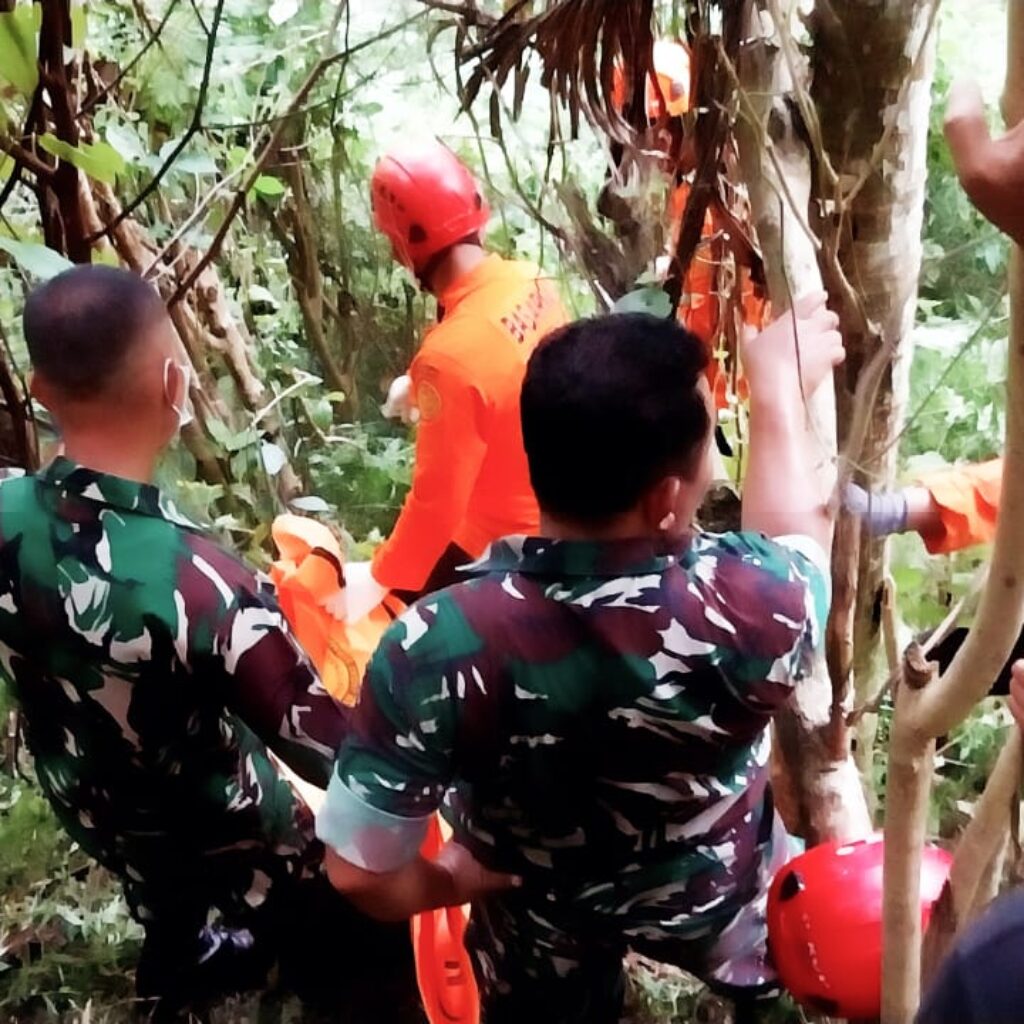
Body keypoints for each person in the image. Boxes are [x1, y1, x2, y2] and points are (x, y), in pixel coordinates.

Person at [316, 293, 844, 1023]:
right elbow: (799, 535)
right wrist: (780, 394)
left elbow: (355, 872)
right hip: (717, 894)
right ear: (666, 495)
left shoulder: (433, 645)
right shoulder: (754, 603)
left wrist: (448, 881)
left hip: (537, 908)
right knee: (768, 970)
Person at [0, 266, 414, 1016]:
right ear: (172, 383)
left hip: (110, 822)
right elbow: (334, 751)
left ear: (38, 389)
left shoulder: (4, 516)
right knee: (376, 950)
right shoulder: (199, 581)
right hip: (242, 850)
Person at [343, 139, 567, 617]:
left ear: (402, 244)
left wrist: (379, 576)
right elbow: (488, 344)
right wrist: (417, 378)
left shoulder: (450, 360)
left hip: (500, 547)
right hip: (566, 514)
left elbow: (436, 504)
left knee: (394, 639)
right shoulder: (532, 281)